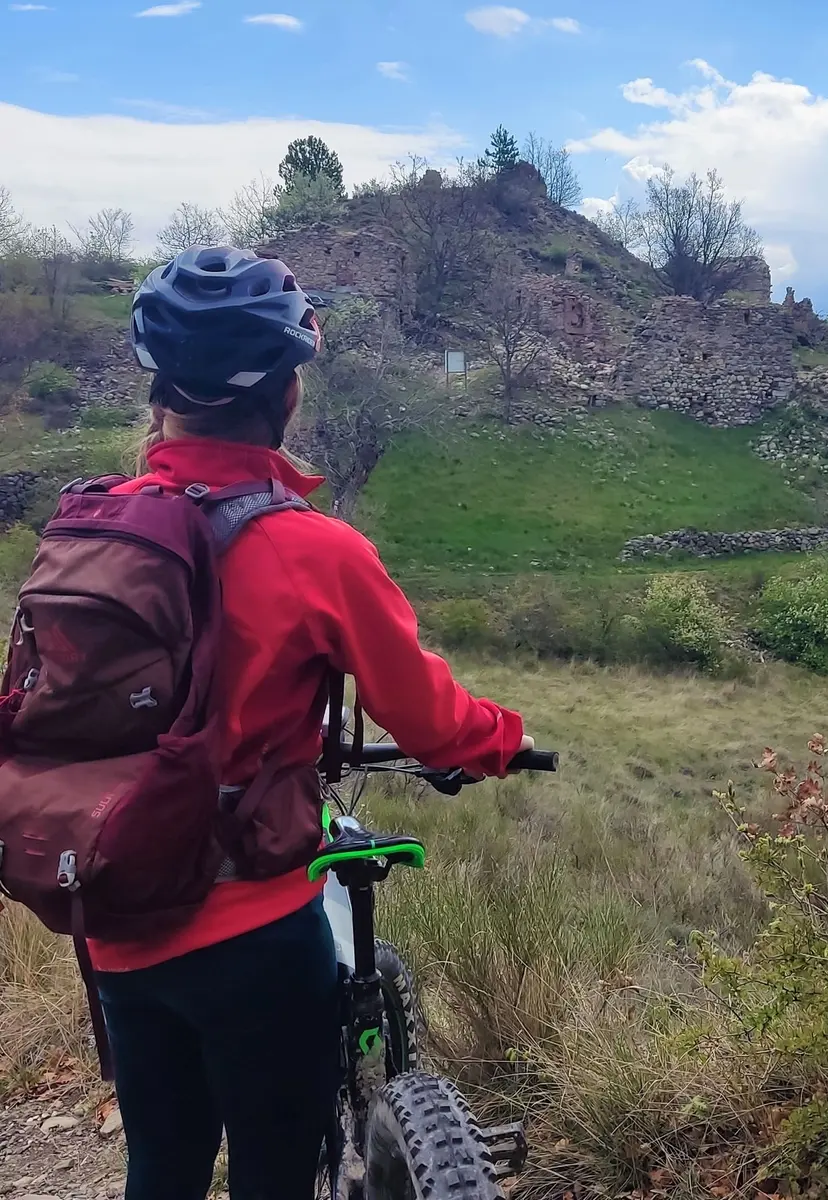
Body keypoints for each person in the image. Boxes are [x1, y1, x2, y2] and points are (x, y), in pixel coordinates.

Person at [93, 245, 531, 1200]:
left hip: (115, 915)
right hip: (250, 928)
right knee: (276, 1171)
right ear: (288, 398)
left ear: (159, 392)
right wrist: (502, 739)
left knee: (159, 1163)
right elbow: (431, 722)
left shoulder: (90, 528)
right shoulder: (312, 549)